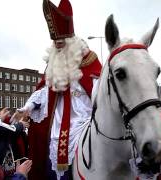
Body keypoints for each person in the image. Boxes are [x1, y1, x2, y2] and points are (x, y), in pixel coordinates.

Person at [17, 0, 102, 179]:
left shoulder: (88, 59)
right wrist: (28, 107)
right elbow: (42, 92)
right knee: (50, 149)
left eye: (61, 42)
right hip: (56, 121)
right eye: (55, 42)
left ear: (71, 40)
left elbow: (99, 91)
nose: (57, 45)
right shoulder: (53, 62)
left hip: (82, 118)